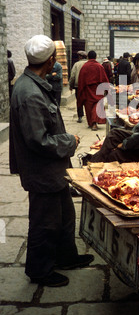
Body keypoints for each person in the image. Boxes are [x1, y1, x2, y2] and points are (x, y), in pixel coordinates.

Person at [9, 34, 94, 287]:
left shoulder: (36, 84)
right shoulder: (29, 93)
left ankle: (65, 256)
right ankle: (39, 270)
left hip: (53, 170)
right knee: (45, 223)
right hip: (41, 171)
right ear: (50, 61)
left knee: (65, 215)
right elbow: (39, 141)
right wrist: (70, 141)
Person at [77, 50, 109, 131]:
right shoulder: (99, 66)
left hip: (87, 90)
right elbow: (105, 79)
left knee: (88, 106)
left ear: (88, 57)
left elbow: (81, 80)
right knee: (97, 105)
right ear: (96, 57)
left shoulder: (85, 66)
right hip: (98, 90)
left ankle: (92, 123)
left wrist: (80, 91)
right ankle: (94, 123)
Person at [69, 50, 88, 123]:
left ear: (80, 57)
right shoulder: (88, 63)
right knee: (87, 100)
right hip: (87, 86)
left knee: (79, 101)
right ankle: (88, 115)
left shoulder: (76, 64)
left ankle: (80, 116)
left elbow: (73, 76)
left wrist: (71, 85)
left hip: (78, 86)